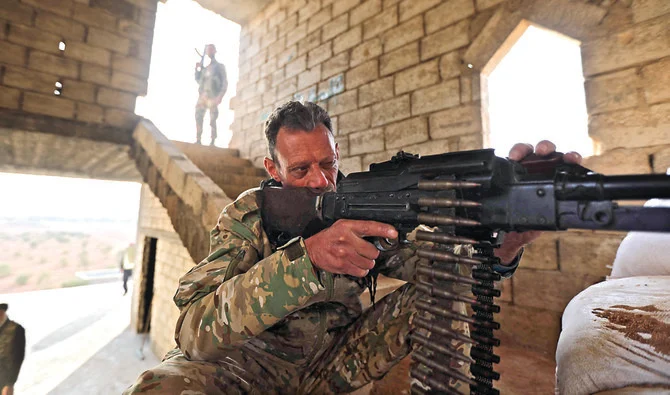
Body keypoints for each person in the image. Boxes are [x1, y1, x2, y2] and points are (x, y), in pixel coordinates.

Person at [124, 101, 582, 394]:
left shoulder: (362, 202)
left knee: (445, 287)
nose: (320, 180)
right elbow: (191, 329)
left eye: (328, 163)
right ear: (273, 166)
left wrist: (503, 242)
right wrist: (307, 263)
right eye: (300, 169)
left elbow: (438, 267)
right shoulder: (250, 215)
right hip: (250, 365)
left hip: (336, 361)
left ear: (339, 153)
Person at [194, 44, 228, 146]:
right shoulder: (205, 68)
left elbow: (224, 82)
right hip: (203, 96)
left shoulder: (219, 67)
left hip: (213, 95)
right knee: (198, 116)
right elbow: (198, 80)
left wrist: (220, 96)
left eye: (211, 49)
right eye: (208, 50)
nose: (209, 52)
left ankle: (213, 141)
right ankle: (198, 139)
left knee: (213, 119)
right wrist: (197, 70)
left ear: (215, 51)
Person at [0, 303, 25, 395]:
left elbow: (17, 359)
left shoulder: (16, 329)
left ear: (2, 312)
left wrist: (9, 384)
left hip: (3, 379)